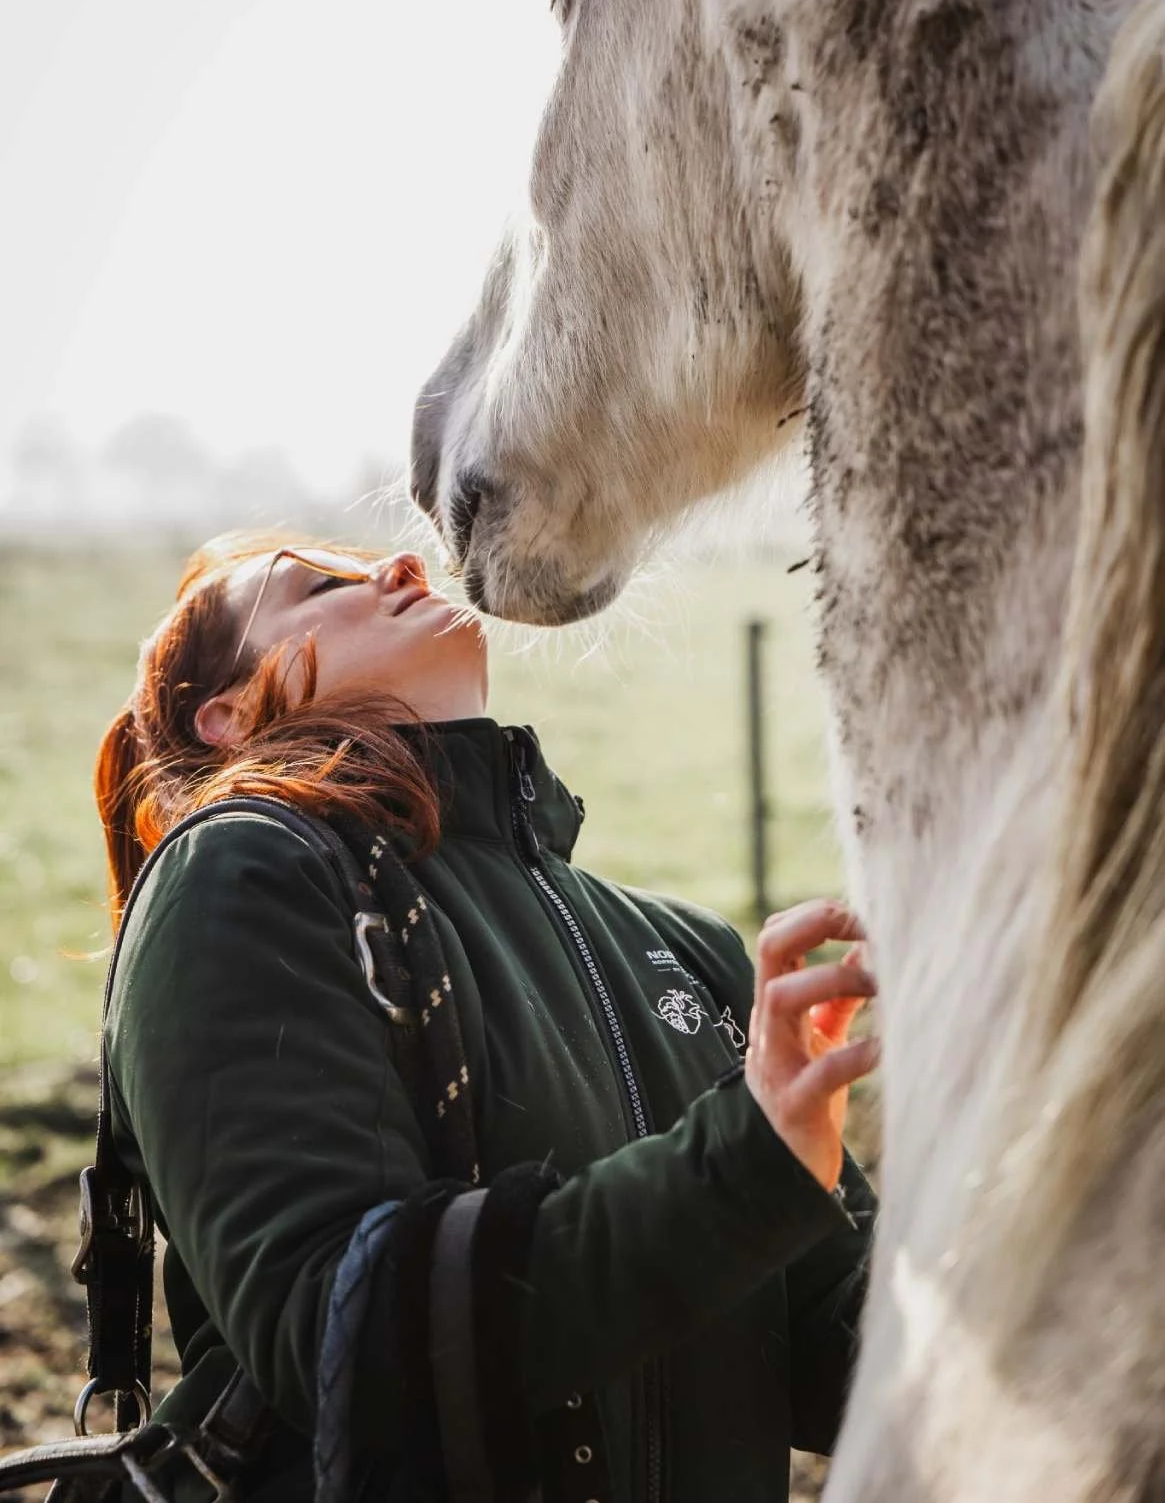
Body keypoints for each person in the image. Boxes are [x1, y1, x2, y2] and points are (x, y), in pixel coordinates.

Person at [94, 533, 879, 1503]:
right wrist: (745, 1161)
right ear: (228, 712)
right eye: (322, 584)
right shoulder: (237, 875)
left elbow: (844, 1364)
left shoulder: (689, 945)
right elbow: (347, 1331)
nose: (403, 566)